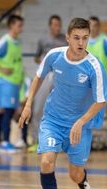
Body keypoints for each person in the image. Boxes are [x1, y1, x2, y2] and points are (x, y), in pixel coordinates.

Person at [19, 18, 107, 189]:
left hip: (80, 124)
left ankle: (82, 181)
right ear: (67, 38)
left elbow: (101, 101)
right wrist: (28, 103)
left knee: (74, 173)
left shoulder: (94, 66)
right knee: (46, 162)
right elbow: (38, 77)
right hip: (53, 120)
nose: (80, 42)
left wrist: (81, 122)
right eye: (76, 38)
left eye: (85, 38)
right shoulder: (54, 56)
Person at [0, 14, 24, 153]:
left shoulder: (17, 42)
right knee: (7, 111)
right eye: (19, 25)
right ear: (11, 25)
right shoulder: (5, 41)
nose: (21, 28)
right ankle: (5, 142)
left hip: (14, 82)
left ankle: (4, 140)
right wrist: (0, 68)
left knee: (10, 110)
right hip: (6, 81)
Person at [29, 14, 67, 153]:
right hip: (46, 76)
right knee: (39, 108)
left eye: (59, 25)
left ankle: (59, 142)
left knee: (60, 110)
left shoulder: (65, 40)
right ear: (50, 25)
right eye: (54, 25)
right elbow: (36, 58)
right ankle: (36, 141)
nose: (57, 27)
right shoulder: (43, 40)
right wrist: (43, 61)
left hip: (60, 78)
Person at [87, 16, 107, 86]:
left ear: (99, 27)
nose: (92, 28)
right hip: (87, 81)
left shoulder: (105, 40)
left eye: (95, 26)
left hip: (102, 81)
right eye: (90, 25)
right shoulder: (83, 40)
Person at [13, 76, 31, 148]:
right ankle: (23, 139)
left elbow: (27, 96)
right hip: (19, 105)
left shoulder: (26, 80)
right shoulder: (16, 82)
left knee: (23, 120)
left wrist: (21, 106)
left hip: (25, 105)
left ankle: (23, 139)